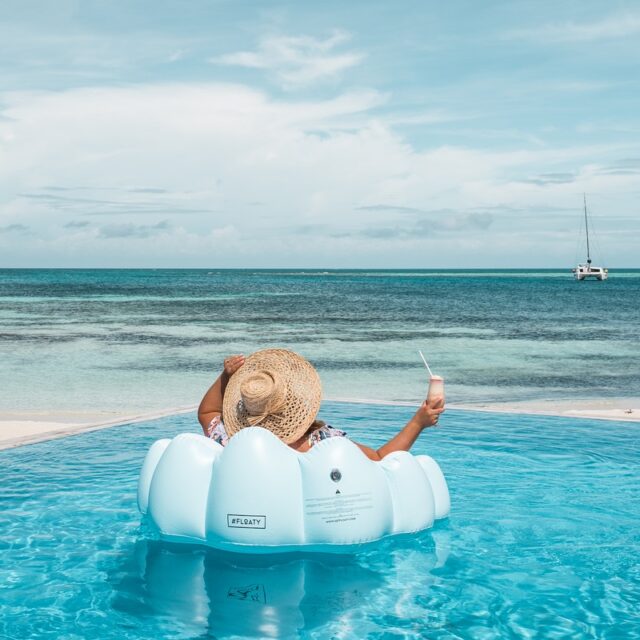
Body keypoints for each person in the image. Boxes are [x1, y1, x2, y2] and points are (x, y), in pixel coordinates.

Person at [198, 349, 444, 461]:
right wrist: (418, 423)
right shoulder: (321, 442)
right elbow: (381, 459)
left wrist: (226, 377)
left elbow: (207, 412)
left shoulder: (230, 440)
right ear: (295, 404)